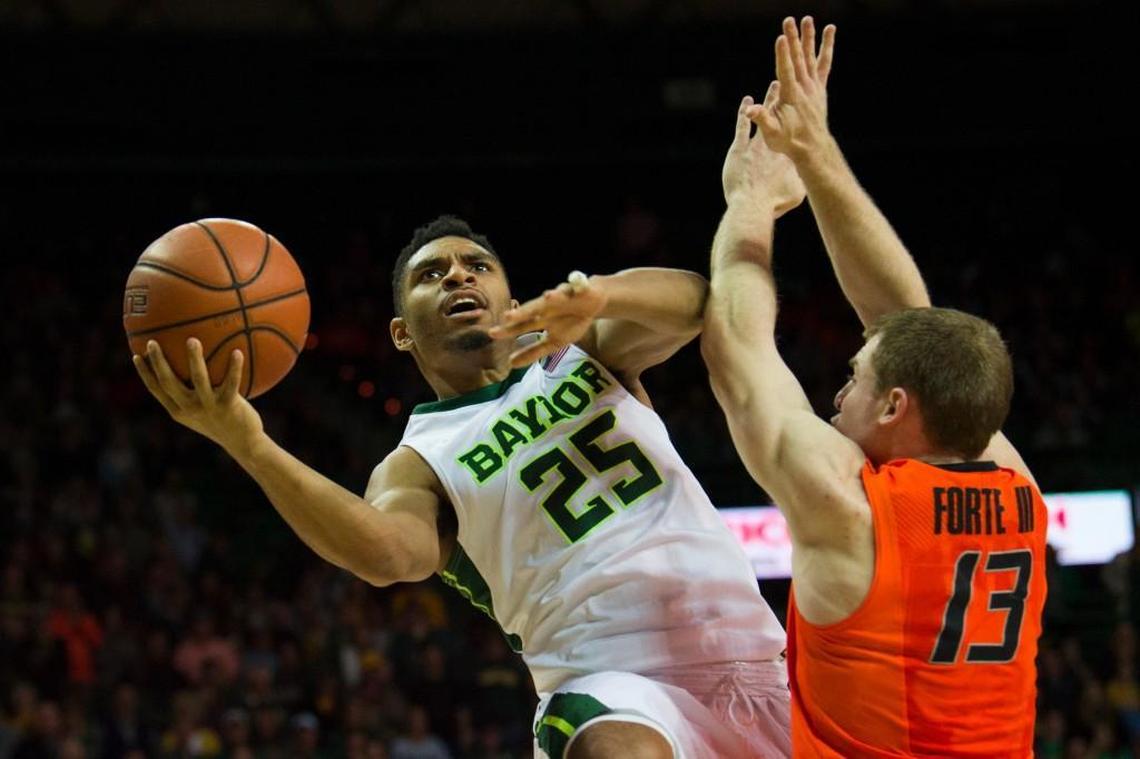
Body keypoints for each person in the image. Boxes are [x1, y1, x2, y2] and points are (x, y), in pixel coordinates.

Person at [133, 217, 791, 752]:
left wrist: (603, 294)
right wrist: (251, 445)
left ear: (508, 296)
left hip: (765, 660)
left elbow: (702, 303)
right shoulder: (417, 459)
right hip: (612, 680)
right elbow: (387, 552)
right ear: (401, 332)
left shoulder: (580, 351)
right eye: (431, 274)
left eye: (476, 265)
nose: (457, 274)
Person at [700, 16, 1047, 757]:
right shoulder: (1020, 489)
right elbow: (906, 323)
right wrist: (816, 154)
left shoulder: (851, 508)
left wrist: (754, 199)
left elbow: (737, 348)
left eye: (855, 379)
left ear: (895, 405)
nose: (836, 397)